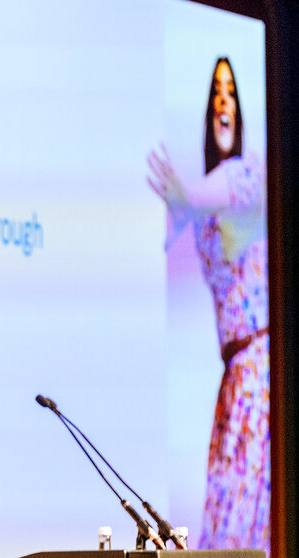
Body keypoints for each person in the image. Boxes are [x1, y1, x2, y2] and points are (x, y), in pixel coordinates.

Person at [147, 57, 268, 552]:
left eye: (231, 93)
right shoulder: (197, 210)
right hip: (235, 379)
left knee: (246, 522)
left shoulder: (249, 175)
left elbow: (215, 193)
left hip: (260, 378)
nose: (223, 101)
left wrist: (186, 198)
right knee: (223, 520)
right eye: (215, 92)